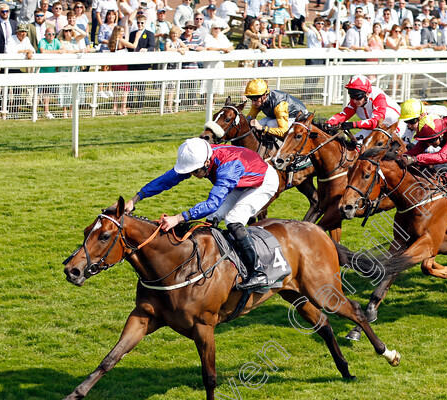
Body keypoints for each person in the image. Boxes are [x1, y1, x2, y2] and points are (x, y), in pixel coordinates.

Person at [123, 138, 280, 290]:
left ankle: (258, 271)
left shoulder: (227, 167)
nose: (191, 174)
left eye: (194, 171)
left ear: (206, 163)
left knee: (233, 219)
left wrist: (178, 218)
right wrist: (135, 199)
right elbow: (166, 180)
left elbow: (212, 204)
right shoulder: (200, 157)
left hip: (262, 181)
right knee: (212, 218)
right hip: (242, 178)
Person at [326, 75, 403, 142]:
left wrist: (353, 124)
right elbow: (344, 114)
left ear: (367, 93)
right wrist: (329, 123)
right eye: (352, 96)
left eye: (357, 97)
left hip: (394, 127)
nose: (354, 100)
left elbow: (375, 122)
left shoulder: (379, 97)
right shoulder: (355, 101)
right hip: (376, 129)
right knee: (354, 145)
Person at [243, 78, 308, 139]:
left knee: (269, 124)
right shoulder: (259, 101)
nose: (253, 103)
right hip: (280, 116)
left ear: (264, 96)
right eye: (251, 98)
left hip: (298, 117)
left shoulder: (280, 106)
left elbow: (283, 131)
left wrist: (262, 128)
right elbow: (250, 117)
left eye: (255, 99)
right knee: (261, 122)